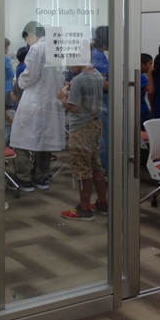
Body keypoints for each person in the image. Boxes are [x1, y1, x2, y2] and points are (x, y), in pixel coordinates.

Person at [9, 21, 66, 192]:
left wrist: (20, 82)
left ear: (30, 35)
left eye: (26, 39)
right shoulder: (55, 47)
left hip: (34, 101)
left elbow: (30, 75)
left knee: (20, 139)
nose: (27, 43)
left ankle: (25, 179)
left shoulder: (36, 49)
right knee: (44, 142)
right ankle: (41, 178)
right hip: (51, 101)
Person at [57, 62, 107, 220]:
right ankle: (102, 202)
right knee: (95, 165)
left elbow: (74, 107)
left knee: (82, 168)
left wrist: (63, 98)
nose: (69, 66)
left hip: (80, 127)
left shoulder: (79, 80)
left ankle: (83, 208)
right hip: (95, 124)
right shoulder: (97, 74)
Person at [91, 25, 110, 173]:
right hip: (102, 100)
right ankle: (104, 169)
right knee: (104, 137)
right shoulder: (97, 57)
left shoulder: (101, 55)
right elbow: (102, 82)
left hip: (104, 99)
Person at [140, 53, 153, 126]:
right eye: (150, 64)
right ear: (142, 64)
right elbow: (150, 89)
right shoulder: (141, 76)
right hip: (142, 110)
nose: (151, 67)